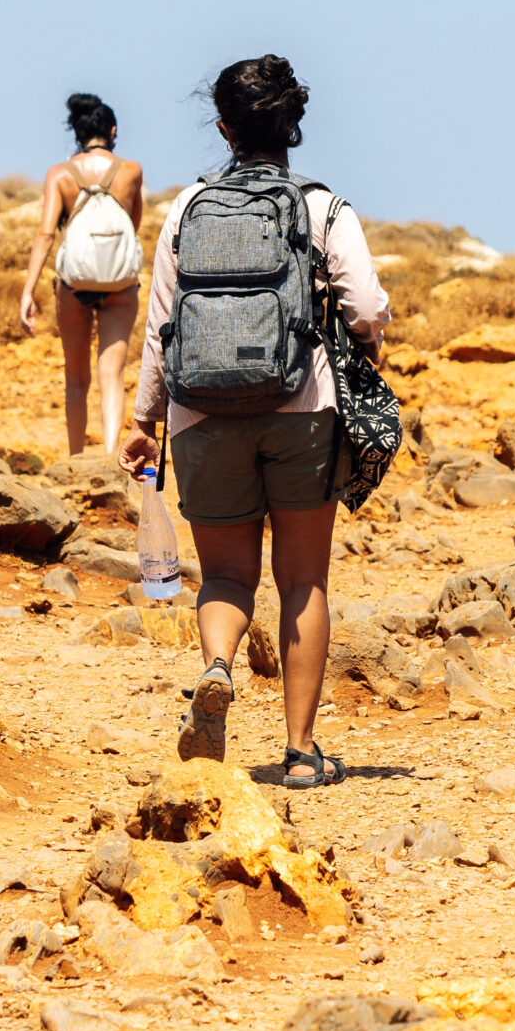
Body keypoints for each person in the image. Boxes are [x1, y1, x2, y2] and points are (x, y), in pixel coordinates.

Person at [120, 56, 388, 789]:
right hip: (302, 407)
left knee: (230, 573)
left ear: (224, 127)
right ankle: (302, 751)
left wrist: (144, 418)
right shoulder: (323, 207)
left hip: (200, 411)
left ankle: (216, 667)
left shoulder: (186, 207)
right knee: (303, 578)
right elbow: (364, 307)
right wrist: (369, 345)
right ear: (293, 125)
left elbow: (160, 325)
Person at [16, 94, 147, 457]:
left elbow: (45, 234)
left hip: (72, 286)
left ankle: (75, 458)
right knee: (112, 375)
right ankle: (108, 459)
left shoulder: (59, 174)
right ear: (113, 130)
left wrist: (28, 290)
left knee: (76, 379)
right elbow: (133, 226)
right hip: (121, 284)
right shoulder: (131, 170)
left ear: (77, 132)